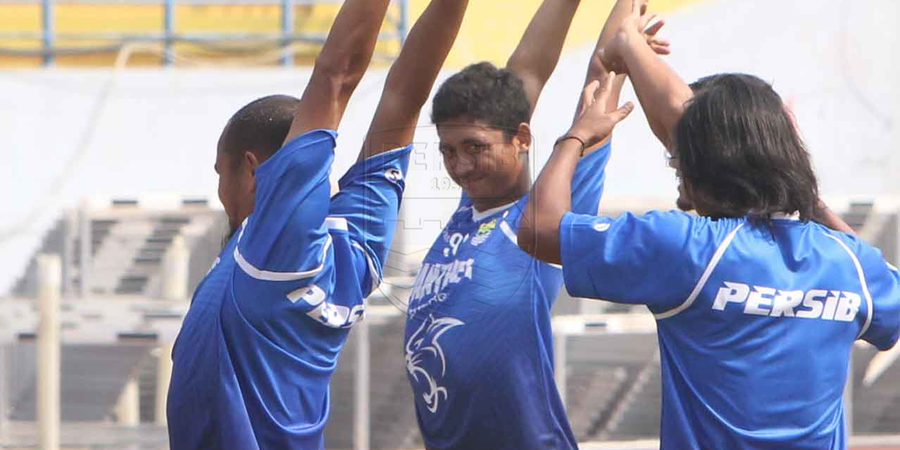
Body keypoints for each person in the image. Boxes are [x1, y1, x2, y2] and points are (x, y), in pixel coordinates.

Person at [519, 1, 900, 449]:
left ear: (707, 166)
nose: (674, 163)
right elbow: (888, 317)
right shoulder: (849, 262)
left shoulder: (686, 249)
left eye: (679, 158)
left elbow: (538, 228)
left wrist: (578, 135)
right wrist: (803, 196)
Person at [165, 0, 469, 447]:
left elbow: (336, 75)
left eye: (220, 173)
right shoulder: (354, 247)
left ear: (252, 170)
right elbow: (405, 96)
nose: (219, 191)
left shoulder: (276, 248)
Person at [401, 0, 669, 448]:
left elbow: (603, 75)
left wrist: (626, 35)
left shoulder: (543, 218)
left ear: (522, 139)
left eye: (474, 147)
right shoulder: (466, 214)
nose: (460, 166)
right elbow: (525, 71)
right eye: (448, 151)